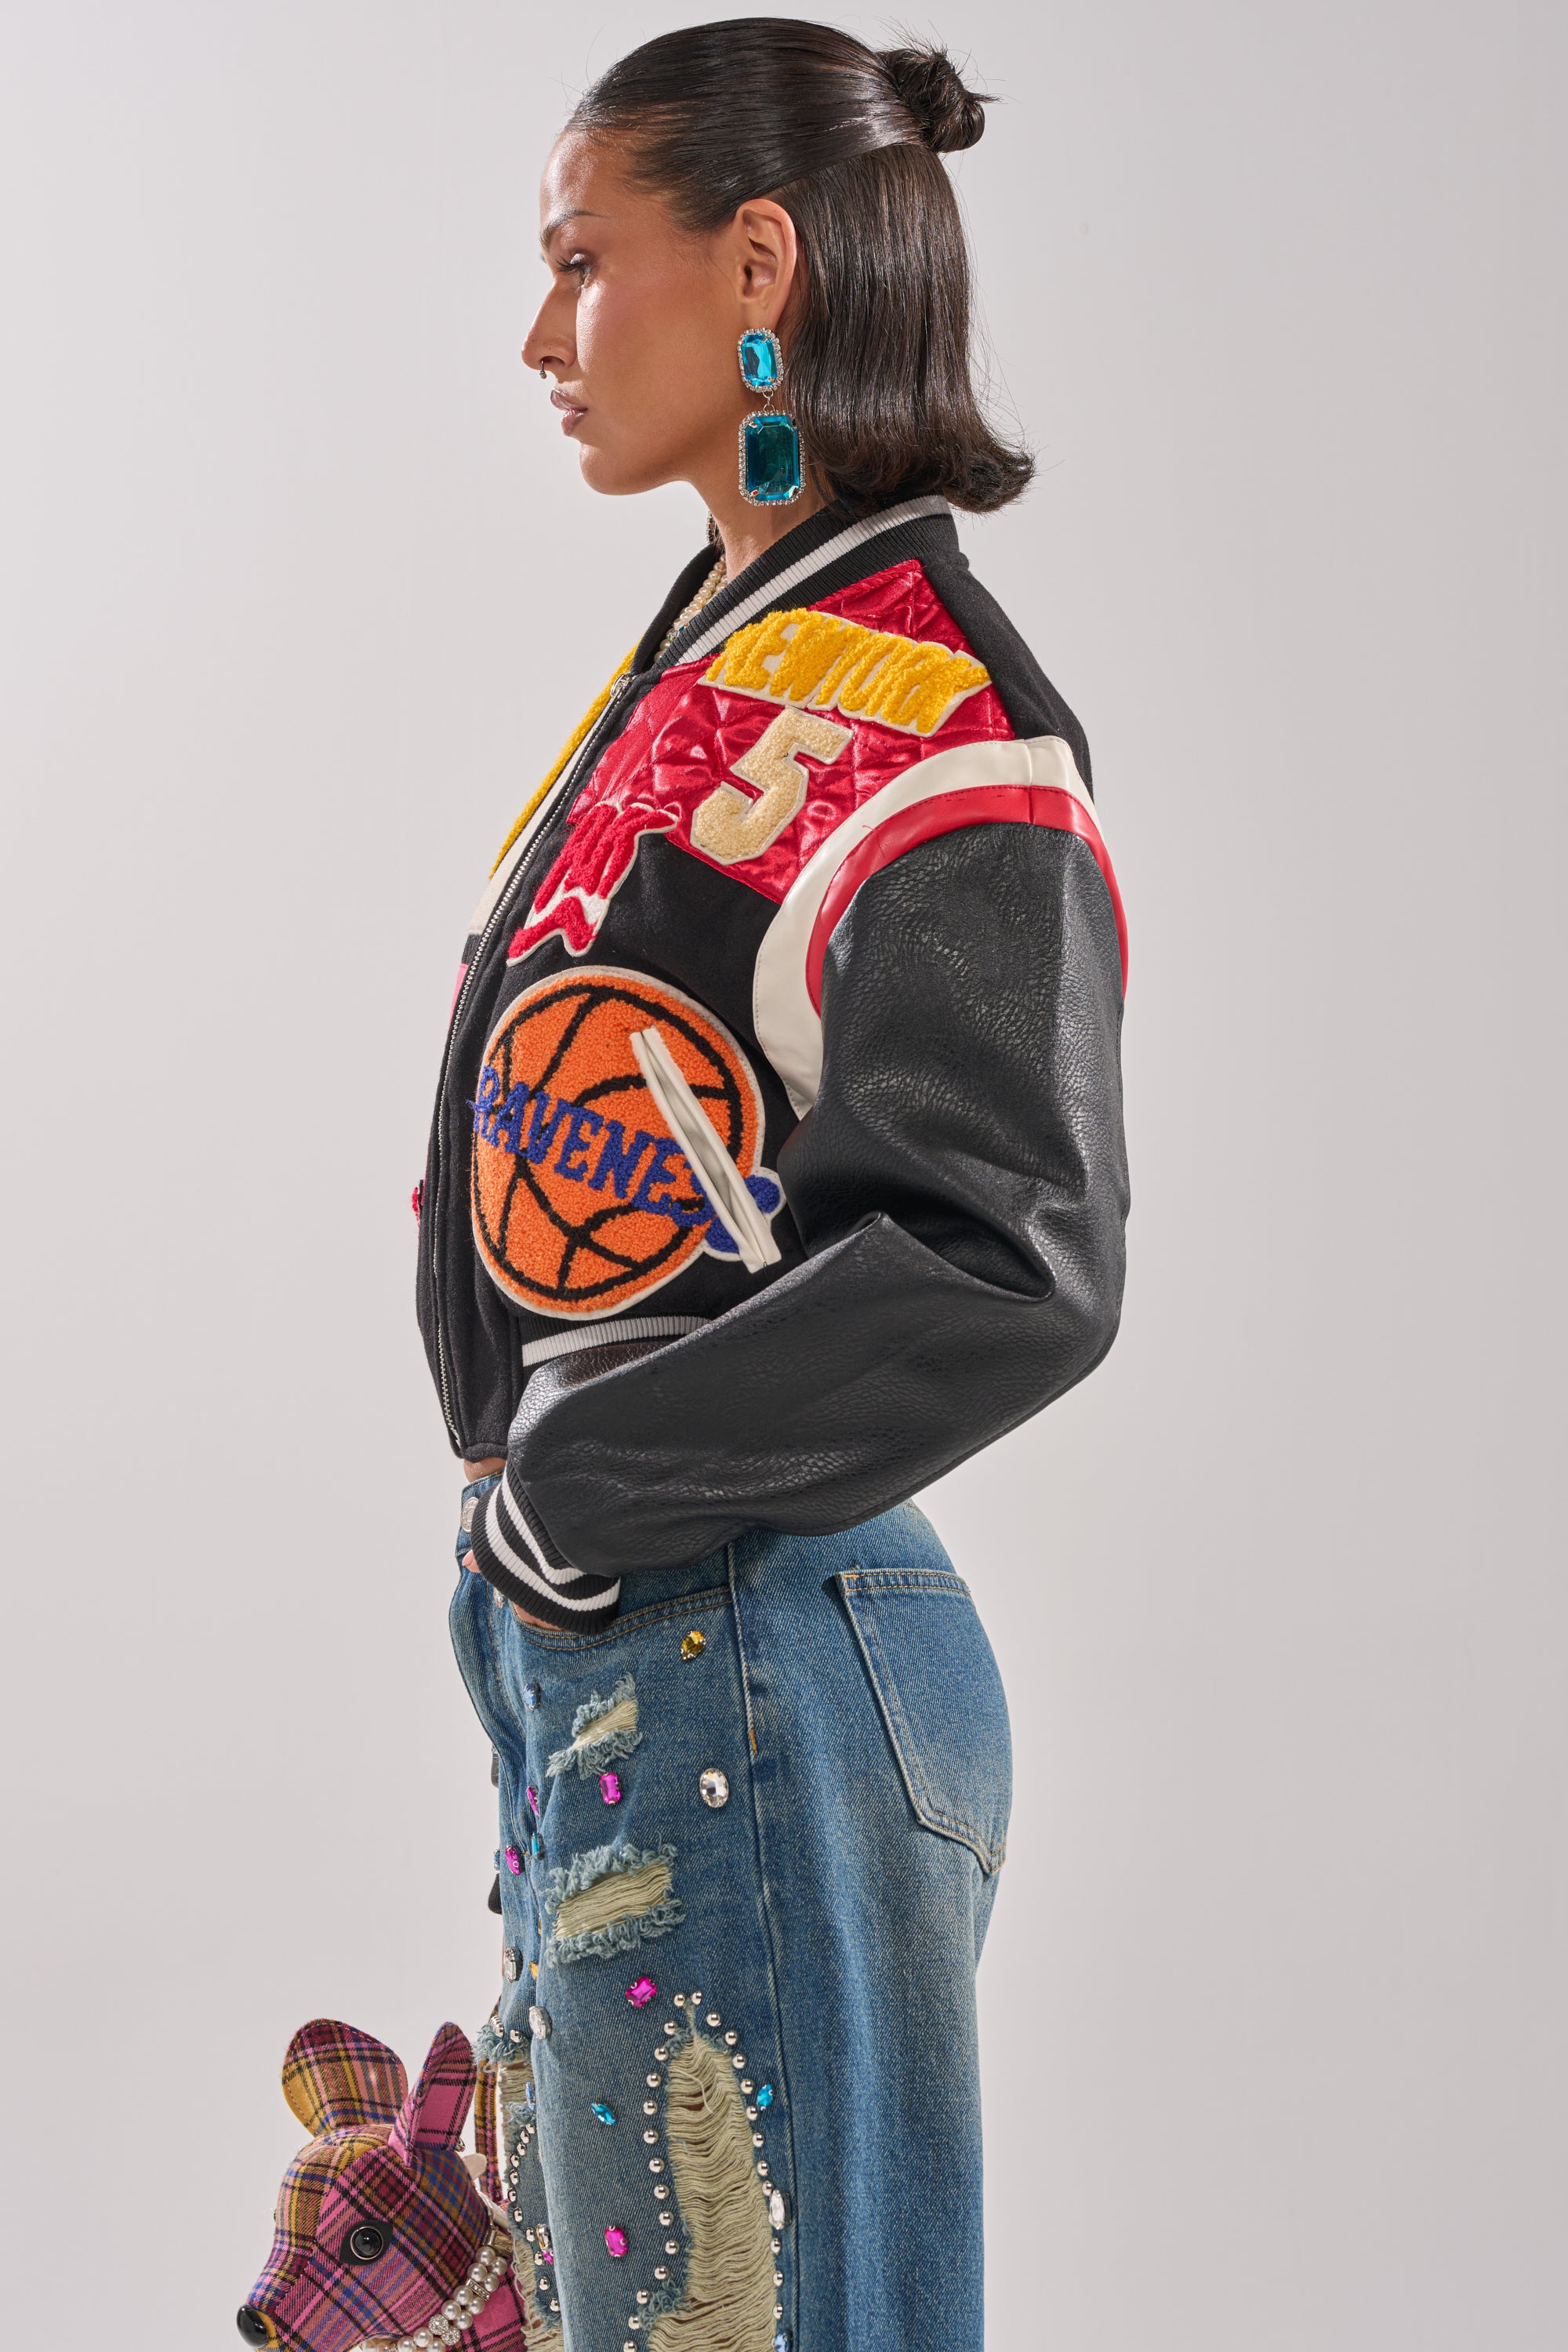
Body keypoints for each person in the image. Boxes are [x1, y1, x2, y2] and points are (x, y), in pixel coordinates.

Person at [420, 24, 1129, 2352]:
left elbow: (1009, 1240)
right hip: (654, 1636)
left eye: (575, 262)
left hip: (745, 1639)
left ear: (754, 268)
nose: (541, 333)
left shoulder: (935, 705)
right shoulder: (718, 658)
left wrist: (588, 1483)